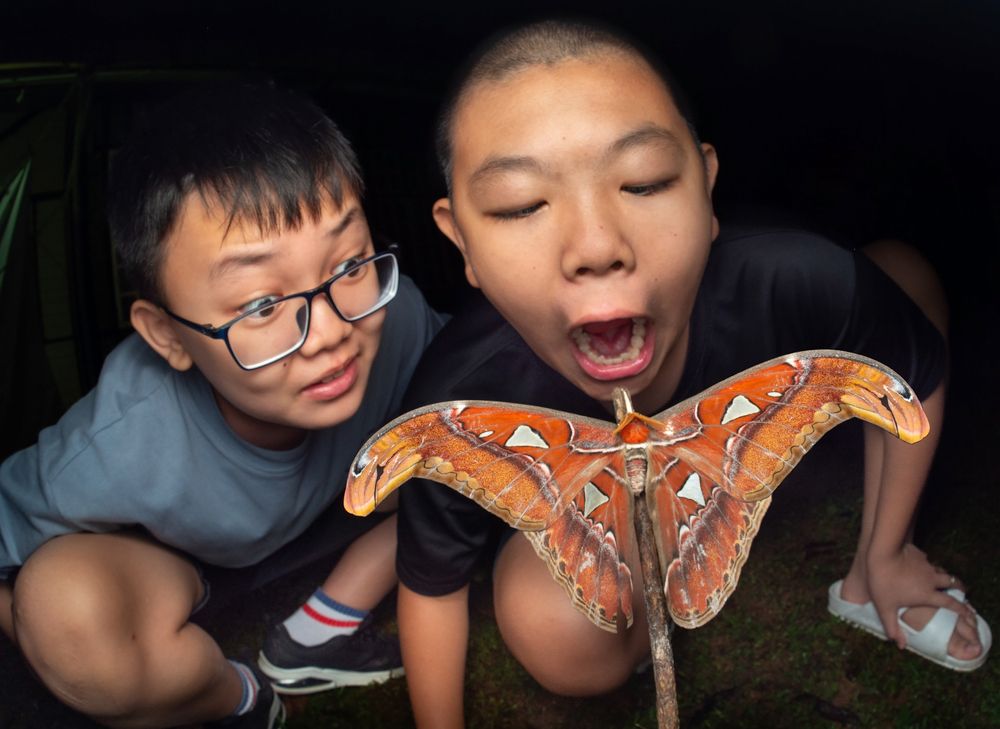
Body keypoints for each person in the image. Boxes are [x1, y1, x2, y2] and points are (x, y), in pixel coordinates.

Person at [392, 19, 992, 728]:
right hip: (621, 502)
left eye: (644, 183)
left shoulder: (795, 275)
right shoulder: (456, 396)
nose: (595, 245)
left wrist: (887, 551)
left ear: (706, 188)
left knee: (903, 276)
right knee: (556, 634)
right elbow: (430, 584)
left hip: (804, 365)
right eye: (522, 204)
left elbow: (916, 368)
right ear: (459, 238)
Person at [0, 82, 445, 728]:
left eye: (348, 265)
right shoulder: (125, 434)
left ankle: (322, 627)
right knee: (60, 610)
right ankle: (240, 698)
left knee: (478, 435)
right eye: (263, 305)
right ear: (167, 336)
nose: (329, 333)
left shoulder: (391, 313)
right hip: (185, 567)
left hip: (338, 521)